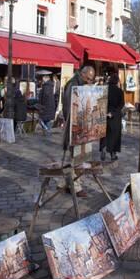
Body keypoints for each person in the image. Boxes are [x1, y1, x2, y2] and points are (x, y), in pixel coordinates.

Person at [61, 65, 96, 198]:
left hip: (81, 126)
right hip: (74, 127)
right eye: (88, 78)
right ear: (82, 74)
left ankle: (66, 183)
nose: (89, 81)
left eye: (91, 80)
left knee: (78, 157)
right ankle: (75, 186)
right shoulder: (73, 85)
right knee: (76, 157)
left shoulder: (81, 84)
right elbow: (70, 109)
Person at [100, 73, 125, 161]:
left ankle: (103, 148)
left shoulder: (105, 90)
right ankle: (113, 154)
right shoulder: (119, 91)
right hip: (115, 116)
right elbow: (121, 104)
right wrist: (113, 113)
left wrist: (105, 112)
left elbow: (100, 102)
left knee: (104, 133)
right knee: (114, 135)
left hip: (104, 114)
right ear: (117, 81)